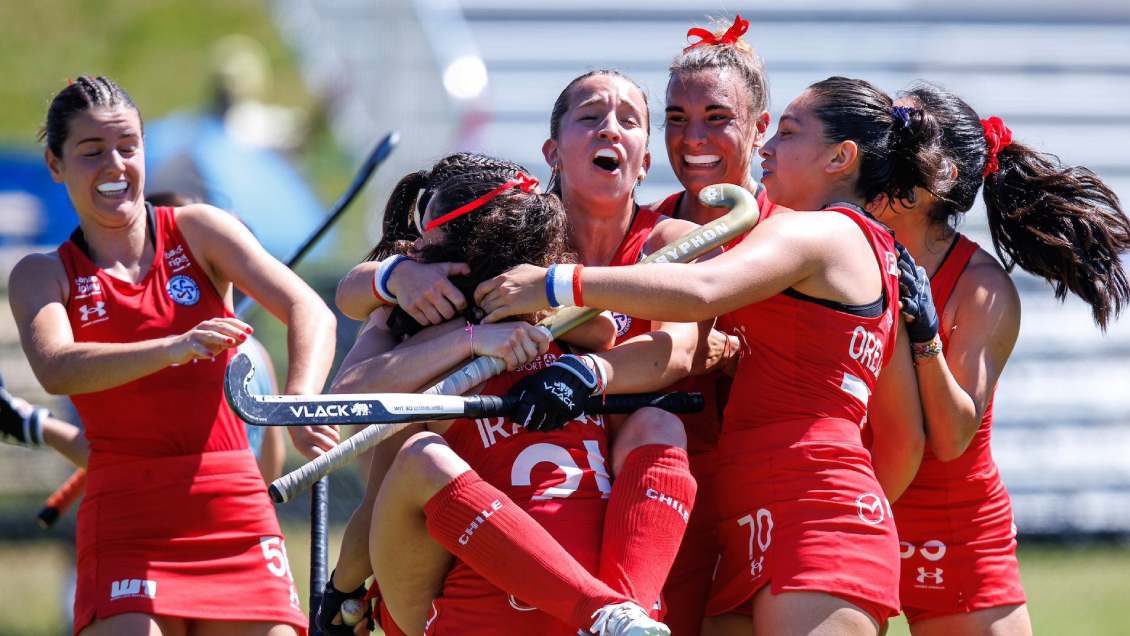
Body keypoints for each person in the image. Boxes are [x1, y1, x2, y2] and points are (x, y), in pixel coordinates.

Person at [474, 76, 935, 636]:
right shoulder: (855, 242)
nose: (767, 148)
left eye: (787, 134)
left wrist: (556, 285)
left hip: (812, 512)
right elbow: (903, 435)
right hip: (756, 510)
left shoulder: (822, 231)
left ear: (840, 157)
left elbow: (702, 290)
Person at [7, 76, 338, 636]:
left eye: (128, 147)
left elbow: (312, 312)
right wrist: (174, 348)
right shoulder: (42, 274)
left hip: (233, 507)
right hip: (126, 522)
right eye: (91, 152)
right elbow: (56, 366)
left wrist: (300, 402)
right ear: (55, 165)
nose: (115, 165)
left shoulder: (201, 230)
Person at [318, 152, 673, 636]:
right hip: (471, 593)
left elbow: (606, 331)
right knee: (419, 455)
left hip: (584, 586)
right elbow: (345, 399)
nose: (419, 255)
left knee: (660, 424)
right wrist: (465, 333)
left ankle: (626, 613)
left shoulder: (564, 317)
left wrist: (541, 301)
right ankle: (604, 612)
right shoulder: (411, 331)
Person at [878, 83, 1130, 636]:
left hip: (952, 529)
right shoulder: (835, 236)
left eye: (897, 133)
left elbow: (949, 439)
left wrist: (923, 333)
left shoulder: (982, 287)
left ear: (940, 177)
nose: (876, 142)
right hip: (859, 508)